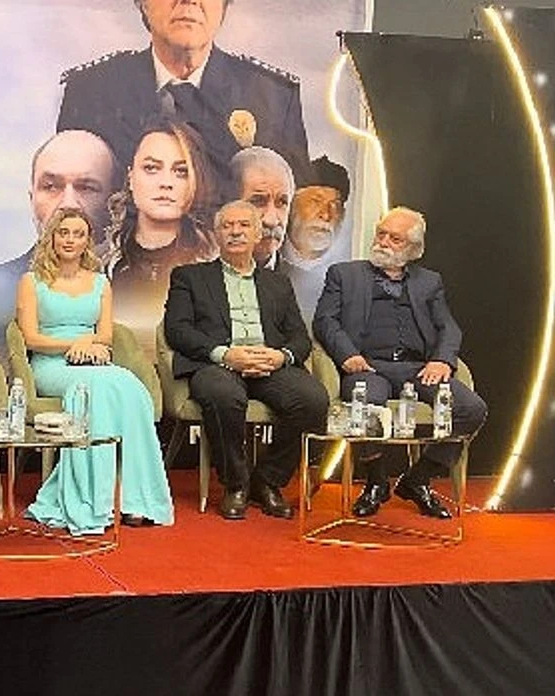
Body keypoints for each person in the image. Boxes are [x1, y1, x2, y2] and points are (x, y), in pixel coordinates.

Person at [313, 207, 487, 519]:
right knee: (366, 403)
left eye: (395, 239)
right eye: (381, 234)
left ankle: (418, 479)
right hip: (367, 366)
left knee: (471, 408)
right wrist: (348, 355)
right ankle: (376, 481)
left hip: (418, 369)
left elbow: (448, 327)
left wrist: (442, 360)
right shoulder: (344, 274)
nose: (383, 242)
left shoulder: (429, 282)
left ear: (414, 249)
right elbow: (325, 321)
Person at [164, 199, 328, 521]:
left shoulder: (278, 282)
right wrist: (225, 354)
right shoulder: (189, 277)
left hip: (269, 364)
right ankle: (235, 484)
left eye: (243, 226)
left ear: (257, 234)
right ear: (216, 235)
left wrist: (280, 356)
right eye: (227, 226)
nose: (235, 232)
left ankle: (267, 481)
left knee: (312, 399)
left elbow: (299, 336)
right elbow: (177, 329)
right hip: (217, 363)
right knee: (223, 395)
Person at [19, 207, 174, 532]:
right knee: (96, 388)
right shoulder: (32, 281)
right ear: (51, 237)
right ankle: (95, 498)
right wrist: (73, 345)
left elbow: (105, 335)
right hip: (51, 364)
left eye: (78, 234)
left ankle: (134, 498)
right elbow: (31, 338)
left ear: (87, 241)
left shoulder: (101, 282)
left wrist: (89, 344)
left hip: (91, 359)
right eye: (63, 233)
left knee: (130, 384)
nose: (70, 240)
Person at [58, 0, 310, 196]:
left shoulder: (273, 99)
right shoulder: (90, 92)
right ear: (143, 4)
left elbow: (293, 214)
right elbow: (67, 205)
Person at [0, 130, 116, 354]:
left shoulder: (130, 282)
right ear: (31, 198)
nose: (68, 203)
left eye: (86, 188)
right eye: (51, 186)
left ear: (114, 202)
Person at [105, 115, 219, 352]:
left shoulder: (216, 261)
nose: (166, 183)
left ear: (195, 181)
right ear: (130, 177)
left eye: (181, 171)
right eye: (151, 168)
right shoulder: (99, 264)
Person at [283, 155, 352, 320]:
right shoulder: (267, 261)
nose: (326, 215)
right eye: (315, 202)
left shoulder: (350, 273)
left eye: (334, 205)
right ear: (291, 206)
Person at [231, 145, 295, 271]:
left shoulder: (307, 281)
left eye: (282, 202)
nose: (271, 221)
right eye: (258, 202)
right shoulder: (196, 278)